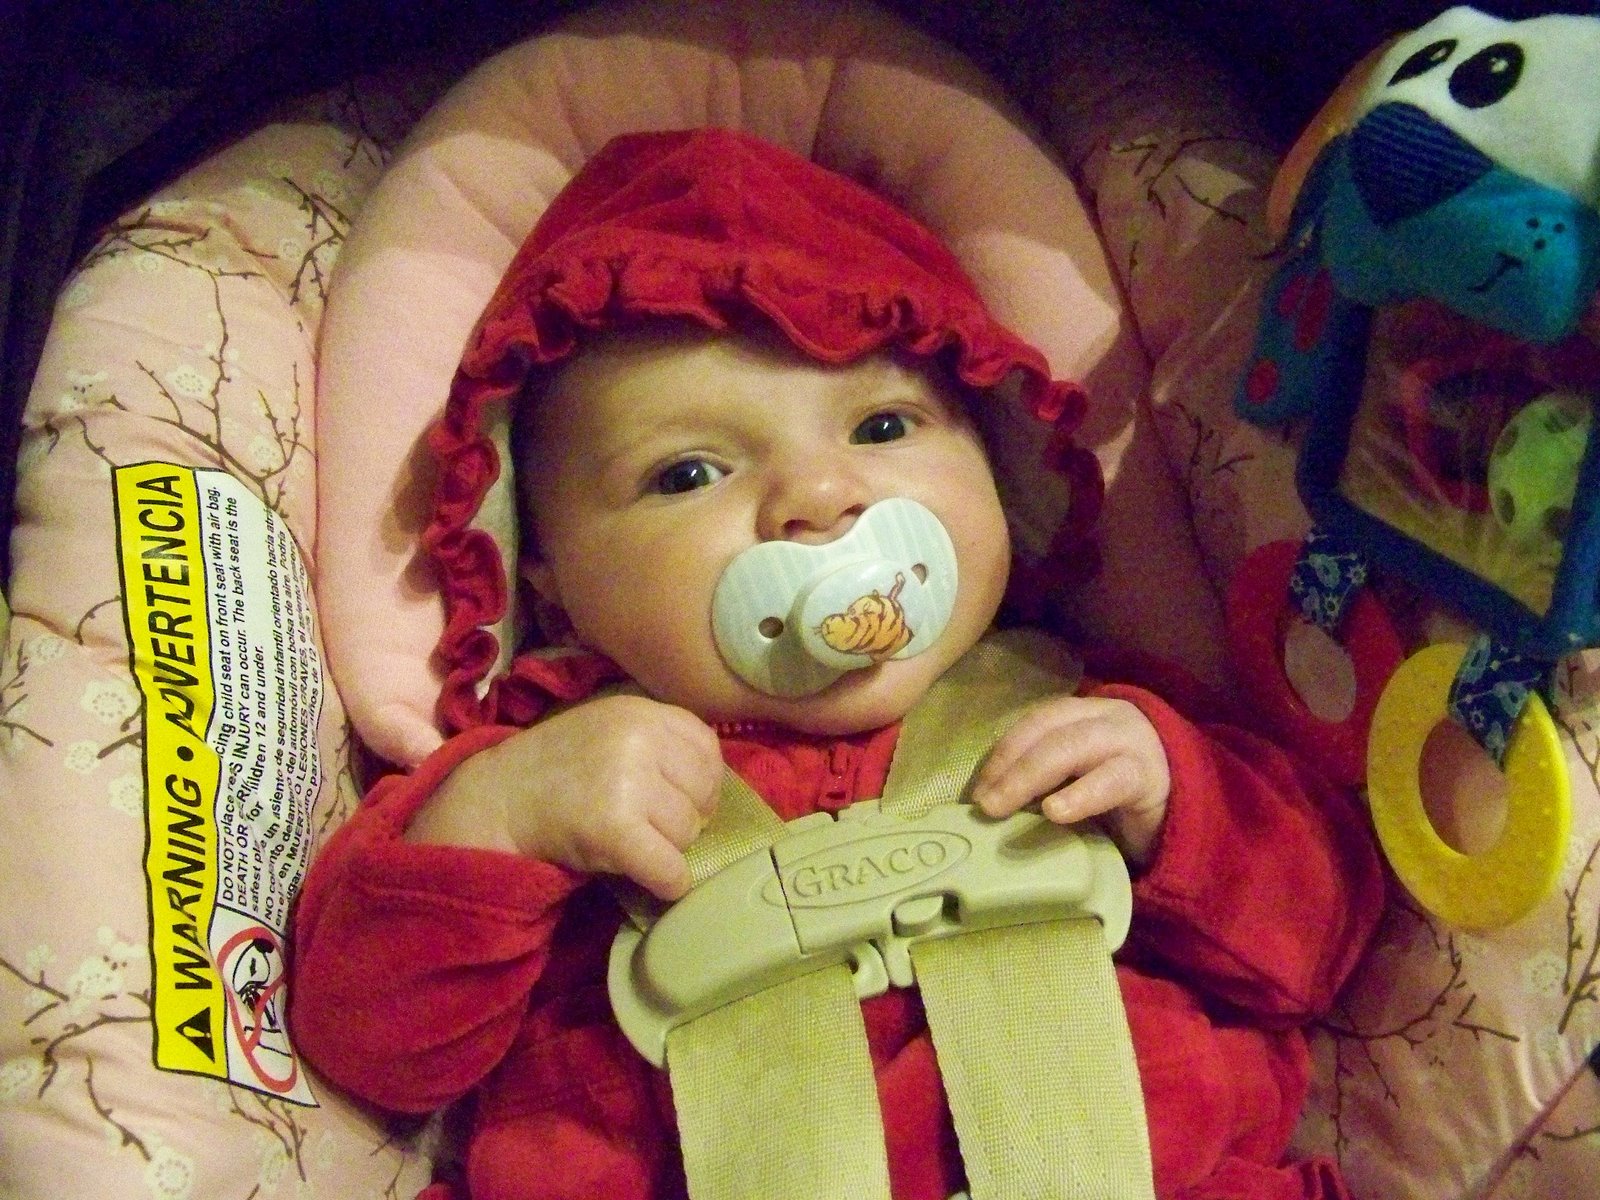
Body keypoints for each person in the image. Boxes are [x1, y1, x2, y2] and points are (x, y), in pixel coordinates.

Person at [289, 128, 1385, 1200]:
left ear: (999, 470)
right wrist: (500, 819)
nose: (818, 497)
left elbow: (1323, 944)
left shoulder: (1095, 718)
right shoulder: (543, 784)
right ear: (549, 584)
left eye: (882, 427)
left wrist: (1176, 804)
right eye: (687, 474)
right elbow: (369, 1044)